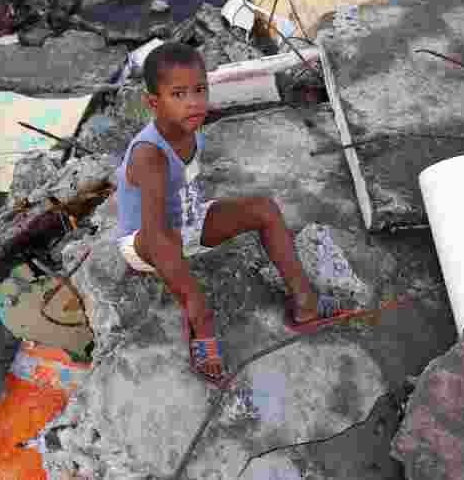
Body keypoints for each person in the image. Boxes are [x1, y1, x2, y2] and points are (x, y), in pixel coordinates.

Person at [114, 42, 363, 385]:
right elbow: (156, 237)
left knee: (264, 209)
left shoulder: (188, 129)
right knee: (166, 239)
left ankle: (305, 302)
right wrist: (196, 301)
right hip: (144, 243)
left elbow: (187, 189)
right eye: (179, 94)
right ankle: (201, 330)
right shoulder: (149, 154)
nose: (194, 102)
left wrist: (206, 220)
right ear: (152, 103)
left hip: (188, 222)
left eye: (200, 90)